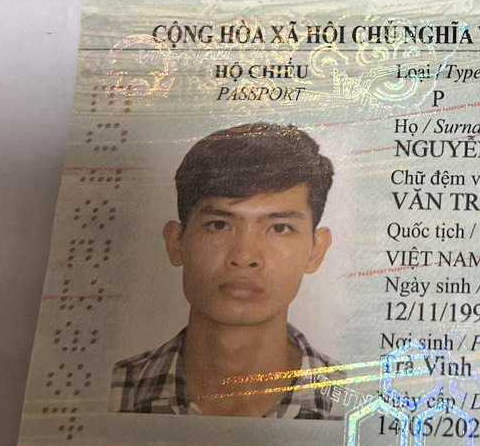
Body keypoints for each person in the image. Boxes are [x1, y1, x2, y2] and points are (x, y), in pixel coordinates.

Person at [110, 123, 339, 418]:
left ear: (316, 250)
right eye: (219, 225)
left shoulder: (354, 402)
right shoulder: (110, 391)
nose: (244, 257)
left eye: (280, 228)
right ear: (176, 242)